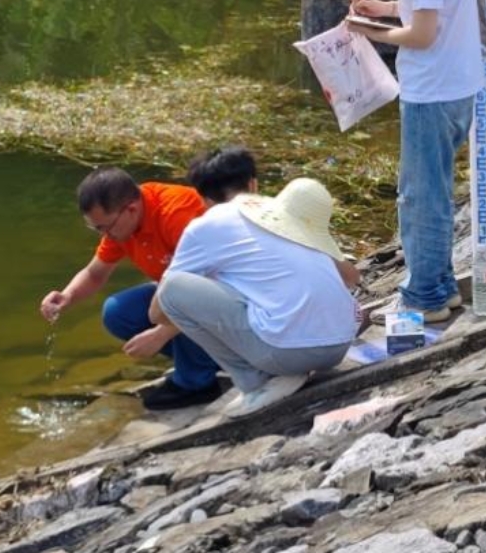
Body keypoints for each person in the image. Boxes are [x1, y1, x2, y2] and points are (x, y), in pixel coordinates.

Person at [341, 0, 483, 324]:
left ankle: (424, 296)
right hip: (459, 85)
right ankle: (442, 287)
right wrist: (384, 8)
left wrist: (368, 30)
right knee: (435, 190)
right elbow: (430, 7)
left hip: (432, 90)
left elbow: (421, 35)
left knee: (419, 197)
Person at [38, 149, 257, 410]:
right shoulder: (122, 227)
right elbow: (95, 272)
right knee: (118, 312)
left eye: (103, 227)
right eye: (96, 228)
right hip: (189, 295)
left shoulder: (176, 216)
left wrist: (160, 334)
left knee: (170, 307)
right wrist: (67, 296)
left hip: (235, 299)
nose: (103, 234)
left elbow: (213, 285)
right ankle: (209, 360)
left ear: (130, 209)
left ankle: (196, 383)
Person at [150, 177, 361, 418]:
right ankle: (280, 367)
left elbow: (156, 312)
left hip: (290, 354)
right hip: (339, 346)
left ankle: (257, 382)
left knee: (173, 289)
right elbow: (353, 277)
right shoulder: (306, 238)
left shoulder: (211, 225)